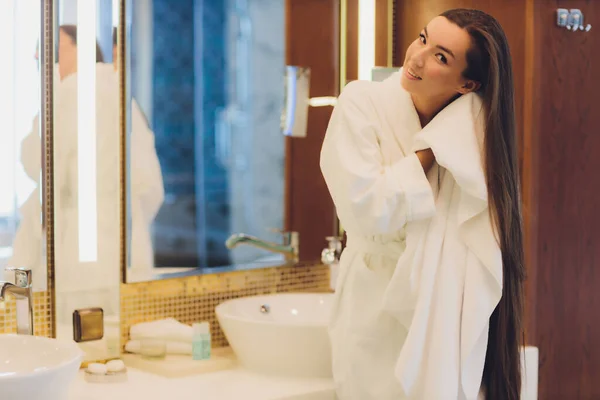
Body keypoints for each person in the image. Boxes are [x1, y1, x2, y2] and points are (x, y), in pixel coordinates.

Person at [320, 9, 525, 400]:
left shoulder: (471, 129)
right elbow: (364, 209)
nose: (417, 56)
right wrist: (430, 151)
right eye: (422, 38)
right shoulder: (361, 102)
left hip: (441, 307)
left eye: (441, 57)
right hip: (372, 305)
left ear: (468, 84)